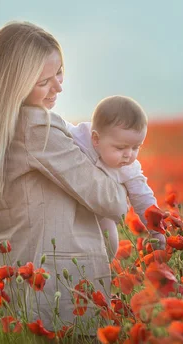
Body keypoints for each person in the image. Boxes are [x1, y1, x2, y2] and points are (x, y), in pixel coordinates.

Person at [0, 21, 128, 334]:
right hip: (55, 289)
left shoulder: (0, 126)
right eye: (44, 81)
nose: (59, 87)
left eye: (60, 73)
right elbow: (111, 201)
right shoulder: (38, 128)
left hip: (14, 280)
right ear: (16, 84)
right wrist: (119, 164)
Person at [64, 96, 166, 259]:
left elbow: (143, 196)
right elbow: (59, 128)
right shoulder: (79, 137)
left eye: (136, 147)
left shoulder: (129, 169)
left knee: (110, 241)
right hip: (72, 205)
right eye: (121, 148)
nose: (129, 155)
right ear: (96, 139)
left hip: (102, 212)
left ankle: (105, 268)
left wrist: (156, 230)